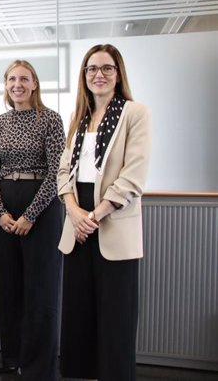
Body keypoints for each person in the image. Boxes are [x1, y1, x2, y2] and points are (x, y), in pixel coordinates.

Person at [57, 44, 151, 381]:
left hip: (110, 220)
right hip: (77, 220)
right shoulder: (77, 118)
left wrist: (93, 216)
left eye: (106, 68)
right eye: (91, 69)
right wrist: (73, 212)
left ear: (118, 73)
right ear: (84, 76)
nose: (99, 75)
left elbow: (133, 176)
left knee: (116, 317)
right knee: (79, 316)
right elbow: (63, 171)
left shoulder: (134, 113)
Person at [0, 60, 64, 380]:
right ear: (6, 84)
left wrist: (30, 215)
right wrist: (0, 212)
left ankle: (38, 365)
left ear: (34, 84)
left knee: (41, 289)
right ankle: (12, 357)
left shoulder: (51, 119)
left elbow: (58, 172)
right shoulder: (0, 122)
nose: (17, 84)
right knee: (11, 287)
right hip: (5, 203)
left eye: (24, 79)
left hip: (41, 208)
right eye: (12, 79)